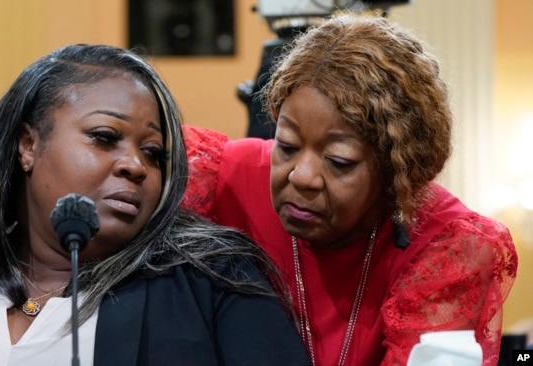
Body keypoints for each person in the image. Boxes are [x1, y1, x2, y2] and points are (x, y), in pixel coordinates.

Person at [0, 44, 312, 366]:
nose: (135, 166)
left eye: (154, 154)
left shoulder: (213, 280)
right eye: (105, 138)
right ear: (28, 145)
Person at [181, 12, 518, 366]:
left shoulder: (446, 247)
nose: (301, 176)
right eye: (288, 145)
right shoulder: (219, 179)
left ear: (396, 171)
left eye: (339, 161)